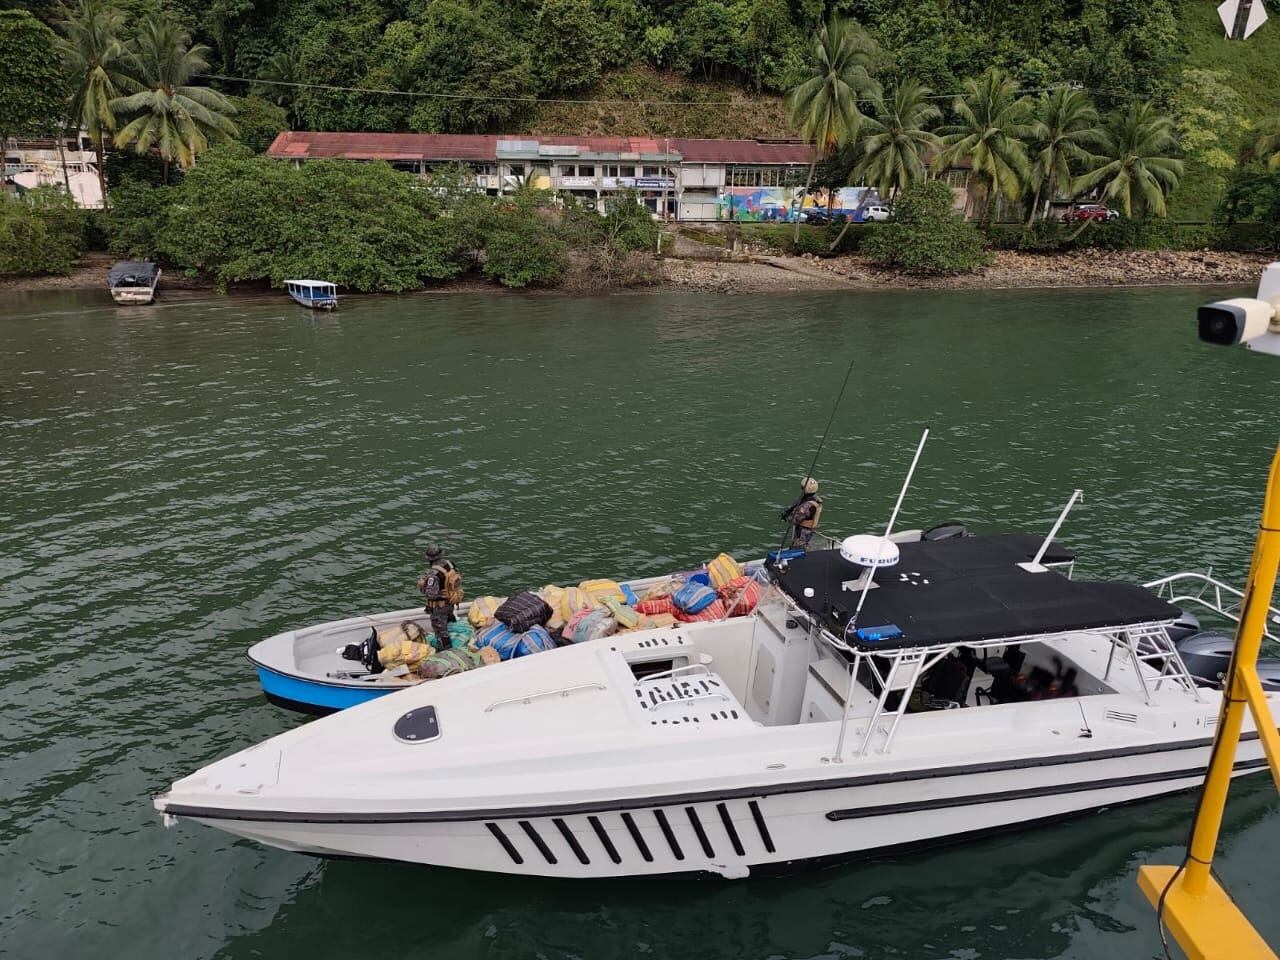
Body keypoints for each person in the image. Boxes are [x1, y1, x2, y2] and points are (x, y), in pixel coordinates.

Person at [417, 544, 463, 648]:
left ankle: (447, 651)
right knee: (449, 622)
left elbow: (431, 594)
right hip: (450, 602)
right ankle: (456, 640)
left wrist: (422, 586)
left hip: (439, 607)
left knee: (441, 632)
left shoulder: (433, 574)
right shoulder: (450, 564)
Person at [780, 477, 823, 549]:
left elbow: (795, 519)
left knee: (798, 548)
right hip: (808, 532)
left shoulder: (807, 506)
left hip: (802, 534)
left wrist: (786, 517)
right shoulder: (817, 501)